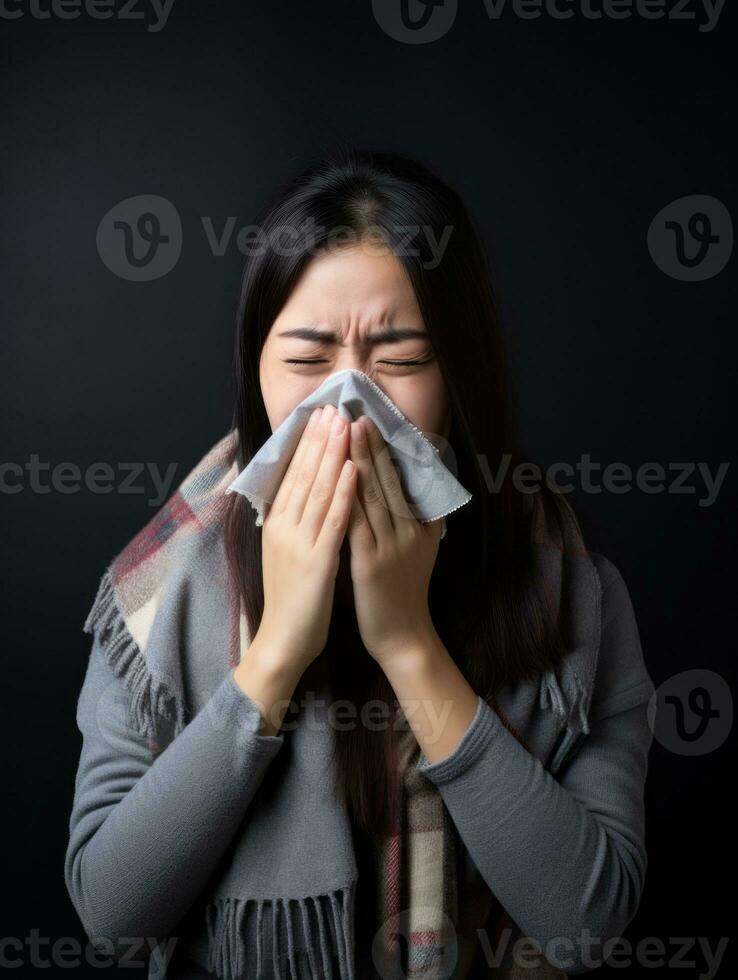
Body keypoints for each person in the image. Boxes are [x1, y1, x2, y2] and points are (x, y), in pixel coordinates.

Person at [65, 146, 656, 980]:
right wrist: (276, 655)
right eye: (307, 362)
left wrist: (409, 643)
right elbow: (112, 915)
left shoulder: (572, 594)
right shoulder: (160, 592)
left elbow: (585, 923)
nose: (350, 409)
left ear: (461, 375)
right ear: (256, 372)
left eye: (402, 361)